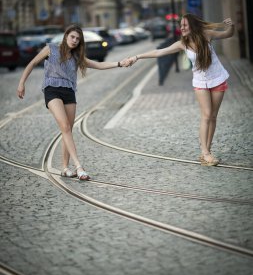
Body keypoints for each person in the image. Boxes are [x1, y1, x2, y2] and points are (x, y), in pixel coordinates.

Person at [17, 24, 130, 180]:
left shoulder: (77, 57)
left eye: (78, 39)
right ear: (66, 36)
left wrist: (119, 63)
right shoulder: (51, 49)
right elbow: (32, 63)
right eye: (72, 37)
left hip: (69, 92)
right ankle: (79, 166)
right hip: (52, 90)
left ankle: (64, 167)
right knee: (64, 126)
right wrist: (22, 82)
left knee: (67, 130)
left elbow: (98, 65)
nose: (75, 40)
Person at [123, 13, 235, 166]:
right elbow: (158, 52)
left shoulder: (206, 34)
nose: (181, 28)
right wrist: (136, 57)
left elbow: (228, 34)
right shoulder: (182, 43)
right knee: (206, 115)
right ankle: (205, 152)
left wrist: (231, 26)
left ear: (193, 26)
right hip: (201, 82)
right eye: (181, 25)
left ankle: (207, 152)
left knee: (213, 117)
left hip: (218, 78)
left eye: (184, 25)